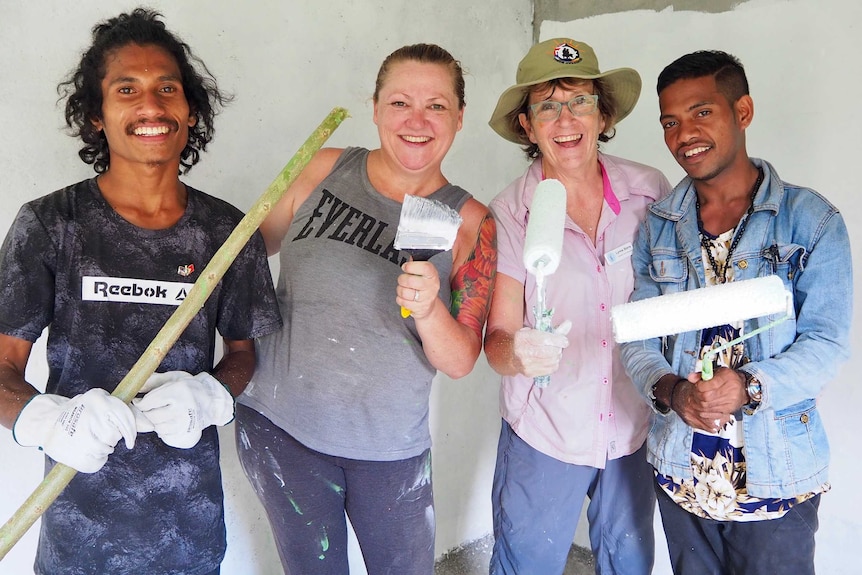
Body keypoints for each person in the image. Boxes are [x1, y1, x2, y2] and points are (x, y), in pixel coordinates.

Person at [0, 9, 282, 575]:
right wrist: (45, 421)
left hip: (189, 527)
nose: (150, 106)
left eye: (167, 89)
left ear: (190, 110)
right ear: (96, 115)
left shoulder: (227, 231)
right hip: (77, 524)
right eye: (126, 89)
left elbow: (246, 353)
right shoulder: (52, 224)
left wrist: (213, 396)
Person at [234, 43, 497, 574]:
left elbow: (460, 359)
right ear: (375, 108)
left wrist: (428, 311)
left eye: (437, 105)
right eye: (400, 102)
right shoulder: (323, 168)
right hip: (281, 428)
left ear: (460, 117)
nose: (417, 120)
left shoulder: (470, 221)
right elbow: (245, 252)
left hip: (389, 450)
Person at [620, 50, 852, 575]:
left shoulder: (810, 221)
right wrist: (672, 391)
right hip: (682, 474)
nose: (685, 135)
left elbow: (827, 342)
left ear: (742, 111)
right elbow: (638, 337)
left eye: (702, 112)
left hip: (777, 480)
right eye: (670, 122)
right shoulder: (659, 226)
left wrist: (747, 387)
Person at [483, 38, 671, 575]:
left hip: (633, 425)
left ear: (603, 111)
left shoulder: (650, 192)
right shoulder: (511, 212)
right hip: (546, 430)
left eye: (579, 101)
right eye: (546, 105)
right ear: (527, 124)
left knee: (629, 563)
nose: (564, 119)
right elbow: (496, 344)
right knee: (527, 564)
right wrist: (518, 351)